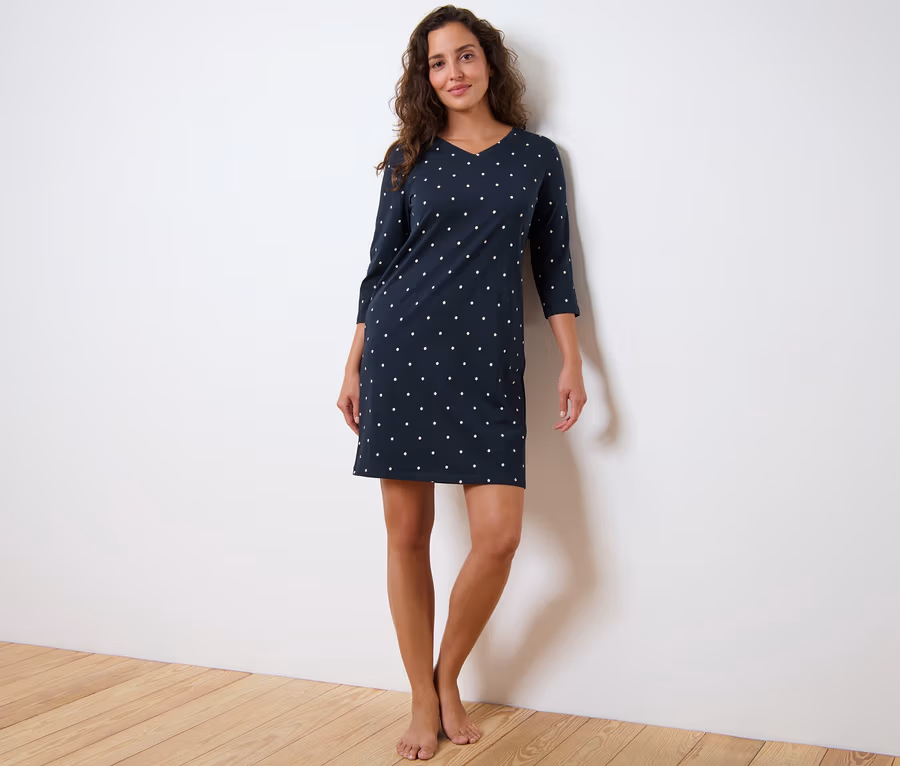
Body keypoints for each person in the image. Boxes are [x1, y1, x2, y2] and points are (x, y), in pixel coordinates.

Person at [336, 5, 586, 760]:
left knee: (498, 538)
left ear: (489, 62)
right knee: (407, 535)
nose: (454, 72)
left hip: (488, 360)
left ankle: (447, 675)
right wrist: (352, 362)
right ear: (426, 78)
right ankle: (423, 695)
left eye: (466, 55)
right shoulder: (408, 157)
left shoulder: (537, 157)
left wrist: (573, 360)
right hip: (402, 352)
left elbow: (553, 267)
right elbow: (379, 268)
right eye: (438, 62)